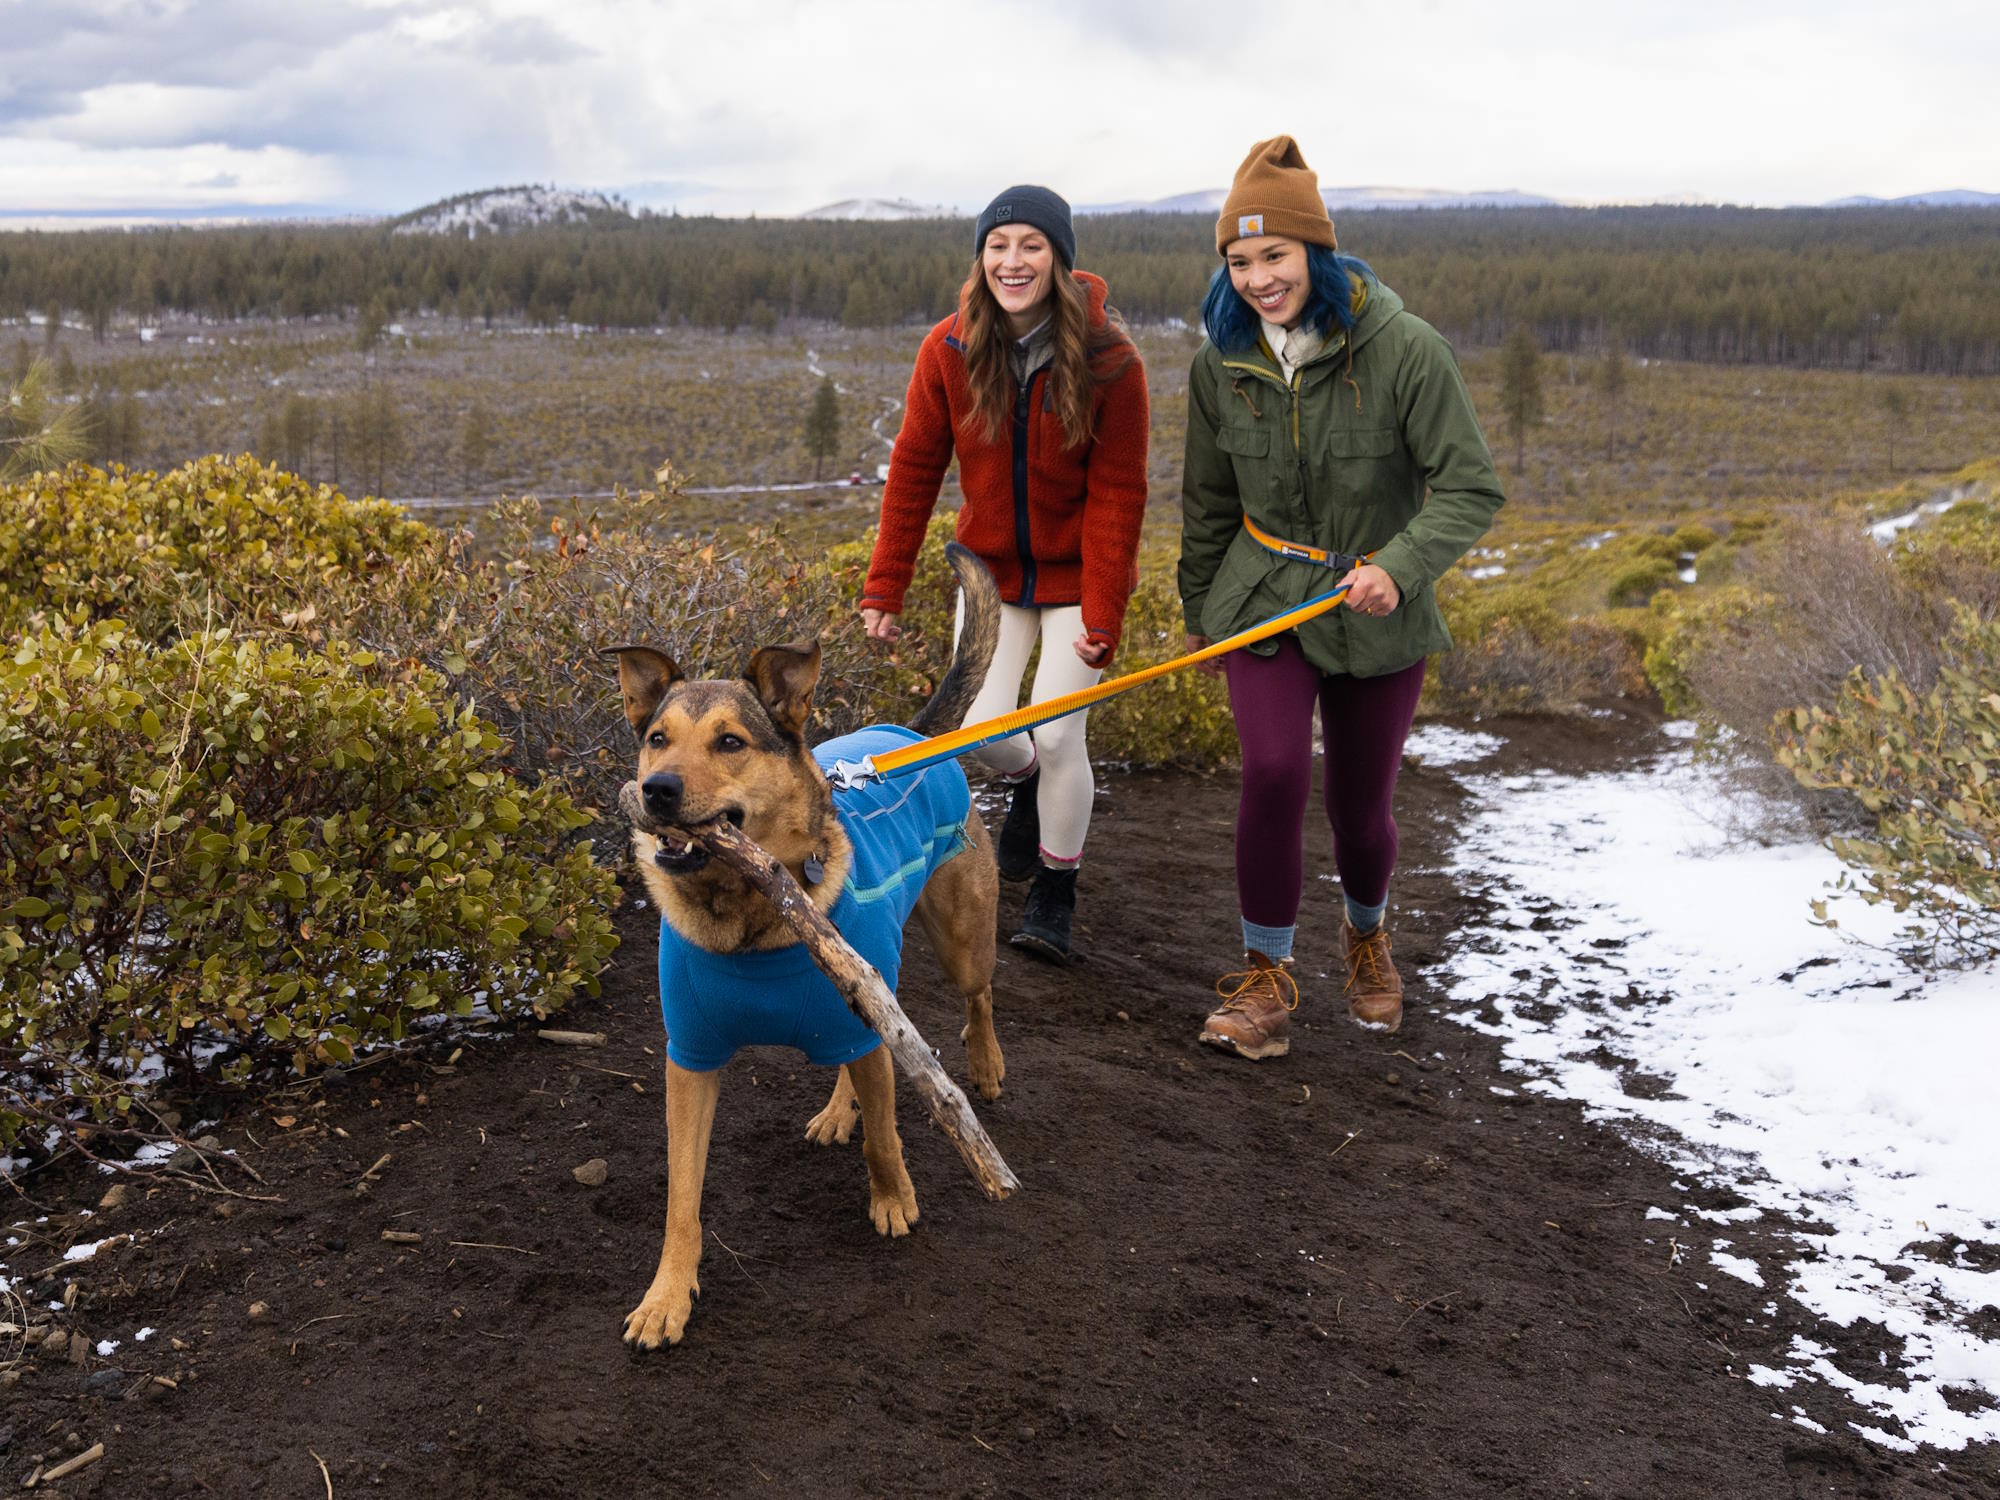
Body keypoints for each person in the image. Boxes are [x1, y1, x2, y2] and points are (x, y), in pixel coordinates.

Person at [1179, 136, 1504, 1058]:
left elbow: (1471, 487)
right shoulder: (1221, 364)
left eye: (1274, 256)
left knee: (1362, 812)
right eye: (1238, 263)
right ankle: (1264, 982)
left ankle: (1365, 936)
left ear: (1316, 251)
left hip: (1374, 607)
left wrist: (1397, 566)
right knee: (1275, 773)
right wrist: (1204, 616)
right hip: (1261, 600)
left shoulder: (1404, 350)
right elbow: (1205, 506)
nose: (1257, 280)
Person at [860, 186, 1150, 963]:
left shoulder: (1111, 362)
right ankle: (1023, 783)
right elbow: (915, 471)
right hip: (989, 578)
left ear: (1058, 258)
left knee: (1058, 734)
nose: (1012, 261)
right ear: (980, 257)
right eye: (998, 245)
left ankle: (1055, 890)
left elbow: (1120, 492)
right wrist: (883, 588)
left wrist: (1103, 613)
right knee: (982, 733)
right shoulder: (949, 350)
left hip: (1074, 580)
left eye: (1031, 245)